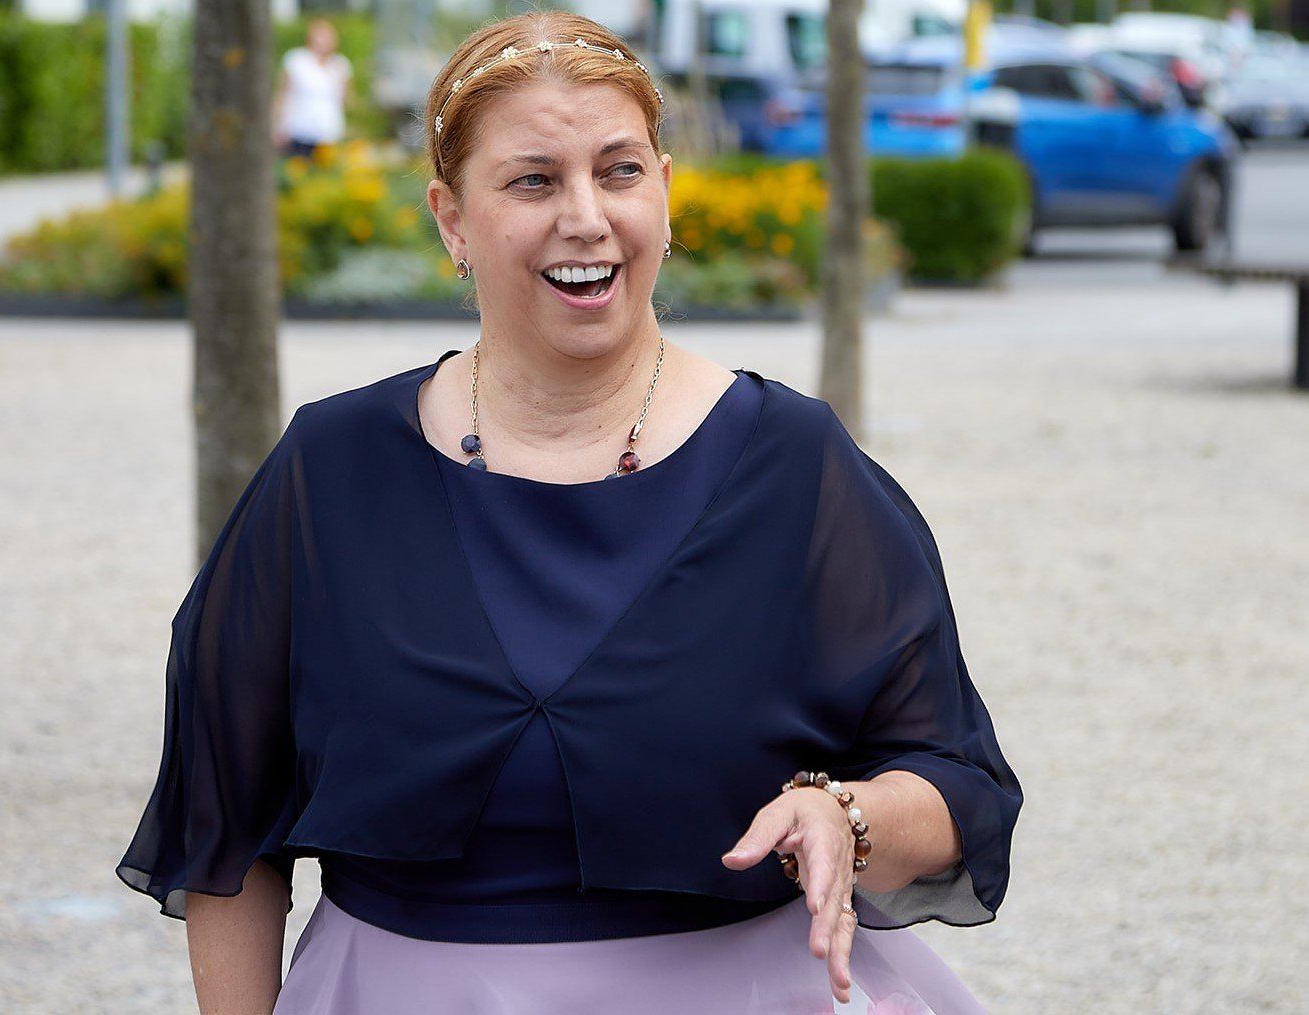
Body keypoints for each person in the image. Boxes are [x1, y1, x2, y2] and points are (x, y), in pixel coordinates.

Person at [118, 11, 1022, 1013]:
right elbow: (228, 825)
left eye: (619, 172)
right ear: (452, 220)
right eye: (533, 181)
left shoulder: (796, 466)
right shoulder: (329, 471)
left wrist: (847, 815)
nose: (586, 217)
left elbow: (957, 780)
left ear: (665, 193)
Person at [271, 18, 351, 160]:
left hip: (329, 133)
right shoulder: (296, 60)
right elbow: (282, 94)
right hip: (298, 131)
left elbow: (345, 99)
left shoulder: (340, 64)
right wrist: (276, 126)